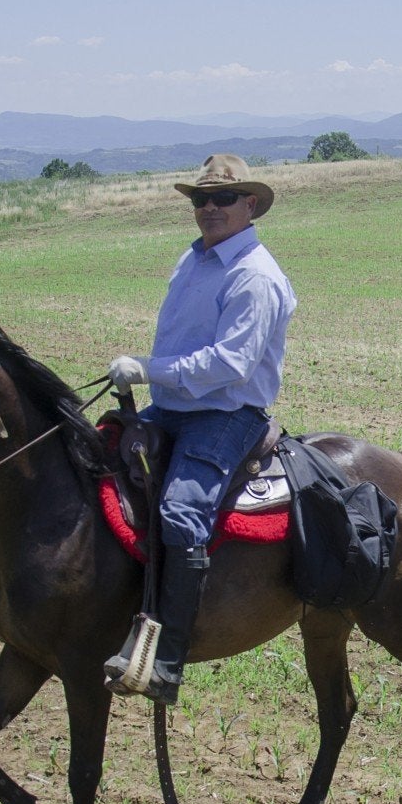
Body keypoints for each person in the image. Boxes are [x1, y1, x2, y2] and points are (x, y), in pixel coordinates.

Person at [105, 154, 297, 702]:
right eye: (201, 199)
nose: (210, 207)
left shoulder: (255, 275)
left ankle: (167, 659)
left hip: (226, 415)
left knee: (180, 512)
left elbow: (231, 364)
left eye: (223, 198)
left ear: (250, 204)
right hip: (172, 408)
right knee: (94, 462)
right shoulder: (193, 260)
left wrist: (149, 370)